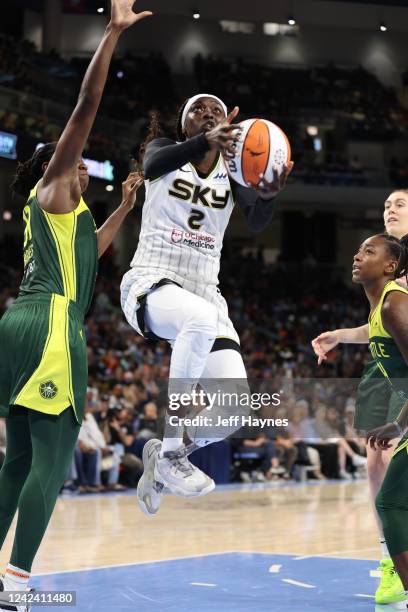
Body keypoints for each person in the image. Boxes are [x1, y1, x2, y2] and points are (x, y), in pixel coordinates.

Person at [0, 2, 151, 609]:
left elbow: (93, 248)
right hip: (52, 325)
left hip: (20, 324)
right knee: (53, 460)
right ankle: (17, 584)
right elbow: (85, 109)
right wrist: (111, 35)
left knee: (18, 462)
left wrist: (125, 207)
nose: (81, 159)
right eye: (69, 155)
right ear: (52, 166)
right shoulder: (53, 185)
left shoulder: (72, 216)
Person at [121, 94, 293, 515]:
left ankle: (166, 451)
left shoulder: (232, 175)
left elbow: (255, 222)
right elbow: (152, 169)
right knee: (196, 320)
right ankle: (172, 455)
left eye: (216, 111)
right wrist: (204, 141)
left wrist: (268, 194)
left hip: (205, 290)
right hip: (152, 280)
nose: (209, 115)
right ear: (185, 126)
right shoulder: (164, 152)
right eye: (199, 111)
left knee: (235, 409)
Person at [311, 189, 408, 604]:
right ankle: (389, 558)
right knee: (374, 461)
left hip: (403, 372)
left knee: (393, 458)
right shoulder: (381, 267)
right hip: (381, 368)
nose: (390, 208)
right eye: (387, 204)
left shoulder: (391, 272)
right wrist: (343, 336)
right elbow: (383, 326)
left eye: (400, 204)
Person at [351, 233, 408, 605]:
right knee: (390, 502)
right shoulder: (379, 310)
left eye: (368, 251)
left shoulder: (393, 305)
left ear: (390, 266)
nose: (358, 255)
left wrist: (400, 424)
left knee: (390, 502)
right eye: (358, 249)